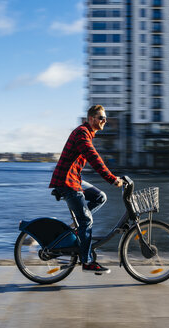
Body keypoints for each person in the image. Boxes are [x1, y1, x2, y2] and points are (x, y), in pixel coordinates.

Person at [50, 105, 123, 274]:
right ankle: (87, 261)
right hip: (67, 182)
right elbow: (94, 158)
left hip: (74, 179)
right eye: (101, 118)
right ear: (91, 119)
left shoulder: (87, 133)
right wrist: (112, 179)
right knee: (87, 221)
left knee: (100, 197)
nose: (104, 121)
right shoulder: (82, 134)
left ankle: (77, 226)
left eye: (104, 118)